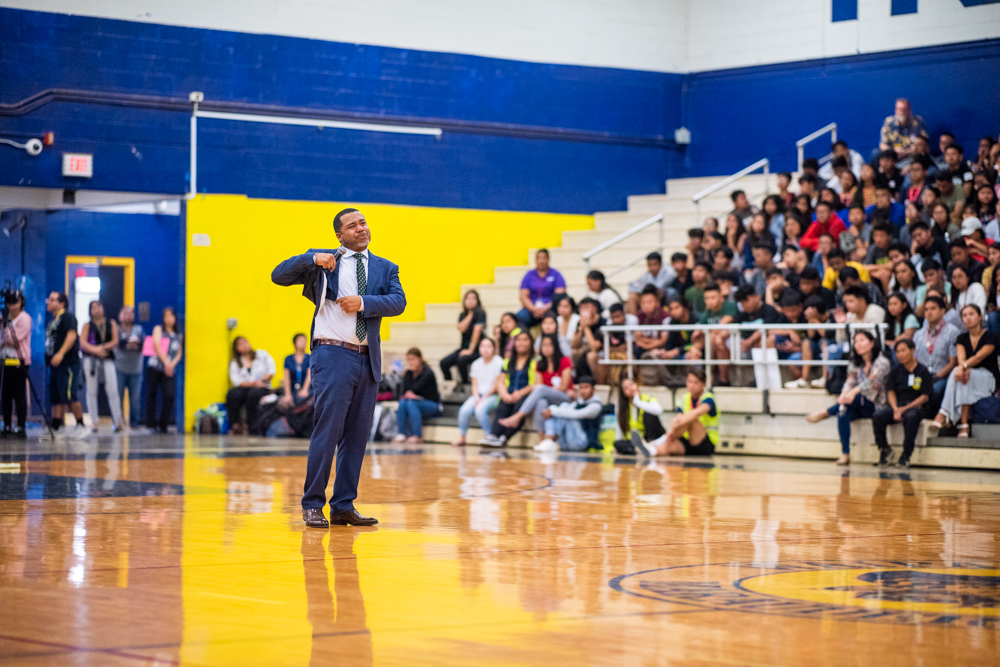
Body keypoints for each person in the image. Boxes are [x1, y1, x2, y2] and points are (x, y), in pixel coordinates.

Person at [271, 207, 406, 527]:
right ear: (339, 235)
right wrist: (310, 258)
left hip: (367, 357)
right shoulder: (324, 263)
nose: (361, 228)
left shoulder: (386, 268)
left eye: (363, 223)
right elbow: (278, 275)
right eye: (352, 225)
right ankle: (312, 503)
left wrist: (364, 302)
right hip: (332, 355)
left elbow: (398, 302)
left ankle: (344, 504)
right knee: (328, 431)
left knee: (357, 436)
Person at [806, 330, 890, 466]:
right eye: (856, 341)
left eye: (862, 340)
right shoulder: (855, 363)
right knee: (842, 409)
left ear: (872, 343)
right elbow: (849, 381)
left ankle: (826, 412)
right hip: (858, 404)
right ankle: (845, 453)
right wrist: (844, 395)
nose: (858, 344)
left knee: (854, 399)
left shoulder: (882, 362)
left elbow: (871, 382)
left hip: (877, 405)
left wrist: (852, 393)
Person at [929, 305, 998, 438]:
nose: (968, 318)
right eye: (964, 315)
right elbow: (961, 358)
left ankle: (944, 413)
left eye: (971, 314)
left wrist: (963, 366)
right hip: (967, 376)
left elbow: (979, 357)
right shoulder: (961, 338)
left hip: (988, 377)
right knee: (962, 376)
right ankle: (963, 426)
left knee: (962, 373)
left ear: (980, 316)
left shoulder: (990, 336)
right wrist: (962, 367)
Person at [872, 339, 934, 468]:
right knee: (878, 416)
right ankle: (884, 449)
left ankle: (906, 454)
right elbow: (891, 392)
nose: (900, 354)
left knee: (911, 417)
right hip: (899, 406)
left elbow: (925, 396)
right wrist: (895, 409)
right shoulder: (895, 372)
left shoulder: (922, 371)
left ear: (912, 350)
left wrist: (905, 408)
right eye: (898, 351)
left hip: (916, 407)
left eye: (903, 350)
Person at [498, 333, 573, 438]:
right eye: (544, 345)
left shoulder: (564, 361)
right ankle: (542, 438)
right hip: (547, 396)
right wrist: (549, 389)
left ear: (555, 346)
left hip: (563, 397)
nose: (546, 348)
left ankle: (517, 417)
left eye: (549, 345)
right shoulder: (539, 364)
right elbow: (539, 385)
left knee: (540, 389)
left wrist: (547, 389)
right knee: (540, 402)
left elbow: (564, 388)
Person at [630, 369, 717, 457]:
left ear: (703, 384)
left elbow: (696, 413)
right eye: (689, 382)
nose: (691, 385)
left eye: (696, 383)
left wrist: (675, 424)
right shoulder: (684, 399)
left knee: (691, 419)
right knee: (668, 446)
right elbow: (679, 419)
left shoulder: (708, 398)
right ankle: (652, 449)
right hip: (686, 440)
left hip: (705, 443)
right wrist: (675, 423)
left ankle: (659, 440)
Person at [44, 292, 87, 440]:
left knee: (69, 395)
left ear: (61, 303)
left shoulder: (67, 317)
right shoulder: (53, 320)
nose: (48, 302)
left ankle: (81, 425)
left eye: (52, 299)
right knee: (57, 396)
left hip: (68, 363)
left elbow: (72, 335)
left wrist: (61, 353)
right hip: (55, 366)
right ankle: (56, 427)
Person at [481, 331, 536, 447]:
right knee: (502, 404)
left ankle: (504, 437)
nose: (521, 343)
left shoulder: (535, 362)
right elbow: (500, 381)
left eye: (525, 339)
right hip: (509, 393)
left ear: (531, 343)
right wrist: (504, 394)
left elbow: (536, 384)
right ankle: (494, 435)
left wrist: (520, 393)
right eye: (518, 340)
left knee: (520, 405)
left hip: (525, 395)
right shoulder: (507, 362)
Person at [80, 301, 123, 433]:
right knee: (92, 391)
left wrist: (103, 348)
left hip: (107, 359)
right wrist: (95, 350)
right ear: (90, 311)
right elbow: (83, 342)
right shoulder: (87, 325)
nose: (97, 309)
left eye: (99, 306)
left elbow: (115, 341)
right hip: (91, 359)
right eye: (93, 307)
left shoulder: (111, 323)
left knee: (113, 390)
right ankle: (94, 422)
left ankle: (118, 421)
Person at [452, 337, 503, 447]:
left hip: (494, 396)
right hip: (478, 395)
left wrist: (485, 396)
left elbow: (497, 383)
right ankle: (462, 438)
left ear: (494, 348)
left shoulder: (499, 362)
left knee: (480, 410)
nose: (485, 349)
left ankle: (489, 436)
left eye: (489, 346)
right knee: (464, 410)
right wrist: (476, 397)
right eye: (483, 346)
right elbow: (474, 384)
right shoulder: (476, 363)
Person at [913, 296, 959, 413]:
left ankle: (931, 417)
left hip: (941, 377)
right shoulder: (919, 334)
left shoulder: (952, 332)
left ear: (943, 310)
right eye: (926, 309)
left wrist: (936, 377)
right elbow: (914, 359)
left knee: (935, 391)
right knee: (908, 389)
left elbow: (953, 362)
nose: (929, 312)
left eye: (933, 308)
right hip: (921, 376)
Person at [536, 375, 603, 452]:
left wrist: (553, 411)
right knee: (564, 407)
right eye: (581, 388)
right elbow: (566, 410)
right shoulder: (579, 402)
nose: (583, 391)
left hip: (583, 442)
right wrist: (551, 409)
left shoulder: (596, 406)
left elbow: (577, 414)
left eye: (586, 387)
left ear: (593, 389)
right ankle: (550, 439)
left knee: (566, 415)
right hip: (569, 441)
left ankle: (551, 439)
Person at [226, 335, 273, 434]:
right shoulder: (235, 362)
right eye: (240, 344)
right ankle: (236, 425)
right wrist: (252, 383)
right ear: (236, 348)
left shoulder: (262, 355)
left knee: (253, 395)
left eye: (245, 342)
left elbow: (271, 370)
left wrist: (263, 380)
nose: (244, 345)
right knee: (232, 394)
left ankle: (250, 425)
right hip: (246, 386)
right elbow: (236, 380)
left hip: (261, 385)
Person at [394, 348, 442, 444]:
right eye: (409, 360)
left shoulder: (428, 373)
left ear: (420, 359)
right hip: (415, 403)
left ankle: (417, 435)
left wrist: (411, 394)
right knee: (403, 402)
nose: (410, 362)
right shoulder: (408, 373)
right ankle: (401, 433)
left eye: (413, 359)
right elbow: (405, 391)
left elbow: (416, 389)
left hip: (432, 405)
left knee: (411, 403)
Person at [1, 290, 30, 438]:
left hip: (19, 362)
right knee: (5, 395)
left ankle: (20, 426)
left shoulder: (25, 319)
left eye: (15, 302)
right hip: (4, 361)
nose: (11, 305)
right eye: (9, 302)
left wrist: (4, 336)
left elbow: (15, 339)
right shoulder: (4, 319)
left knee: (18, 395)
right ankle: (6, 425)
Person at [440, 289, 485, 386]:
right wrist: (470, 314)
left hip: (477, 350)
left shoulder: (481, 313)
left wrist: (470, 349)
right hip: (463, 348)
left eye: (473, 298)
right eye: (468, 298)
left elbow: (477, 331)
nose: (470, 301)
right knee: (444, 363)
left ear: (477, 301)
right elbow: (461, 328)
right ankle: (450, 385)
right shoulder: (463, 315)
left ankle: (466, 385)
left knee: (462, 360)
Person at [615, 377, 666, 453]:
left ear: (636, 384)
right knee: (617, 443)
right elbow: (619, 428)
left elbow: (659, 410)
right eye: (626, 388)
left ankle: (648, 446)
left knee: (648, 414)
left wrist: (637, 402)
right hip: (638, 439)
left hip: (653, 437)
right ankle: (640, 448)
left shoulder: (647, 399)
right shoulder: (622, 407)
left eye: (631, 384)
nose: (630, 388)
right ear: (623, 392)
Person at [517, 249, 566, 328]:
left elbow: (559, 296)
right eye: (539, 258)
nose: (541, 261)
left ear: (548, 259)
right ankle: (523, 339)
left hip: (550, 308)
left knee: (556, 316)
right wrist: (534, 309)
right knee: (520, 316)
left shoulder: (556, 274)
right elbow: (523, 296)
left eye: (544, 258)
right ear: (535, 260)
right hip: (532, 308)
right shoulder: (529, 275)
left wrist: (545, 308)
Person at [115, 306, 145, 430]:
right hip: (119, 368)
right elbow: (118, 343)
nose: (128, 315)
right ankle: (117, 421)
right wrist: (128, 343)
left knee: (135, 399)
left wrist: (134, 344)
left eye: (130, 313)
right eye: (125, 313)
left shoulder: (139, 329)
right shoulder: (116, 329)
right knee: (118, 396)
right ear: (120, 315)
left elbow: (143, 344)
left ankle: (134, 423)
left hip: (136, 369)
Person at [281, 333, 312, 407]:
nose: (303, 343)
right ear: (295, 343)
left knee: (302, 400)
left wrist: (305, 390)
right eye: (301, 341)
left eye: (305, 341)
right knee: (285, 403)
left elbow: (309, 375)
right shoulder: (288, 359)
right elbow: (286, 378)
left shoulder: (309, 357)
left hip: (306, 389)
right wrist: (288, 394)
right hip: (292, 389)